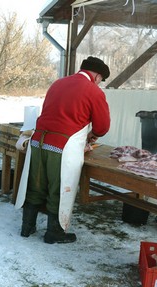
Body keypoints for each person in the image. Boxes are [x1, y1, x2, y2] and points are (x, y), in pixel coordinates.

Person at [20, 56, 111, 243]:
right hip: (62, 147)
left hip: (38, 142)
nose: (100, 83)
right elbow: (102, 126)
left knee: (36, 185)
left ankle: (27, 227)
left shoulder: (58, 83)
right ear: (97, 76)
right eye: (101, 79)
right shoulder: (93, 91)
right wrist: (93, 133)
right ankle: (54, 233)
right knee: (59, 189)